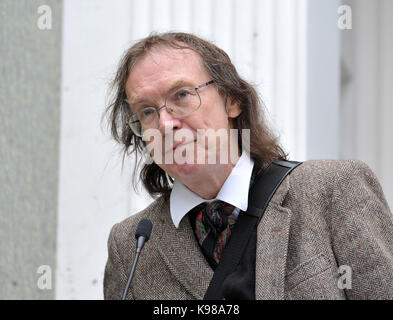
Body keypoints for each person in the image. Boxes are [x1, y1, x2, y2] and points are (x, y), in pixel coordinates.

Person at [103, 32, 393, 300]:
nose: (165, 124)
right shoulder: (131, 246)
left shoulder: (331, 190)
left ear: (232, 101)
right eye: (147, 111)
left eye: (181, 95)